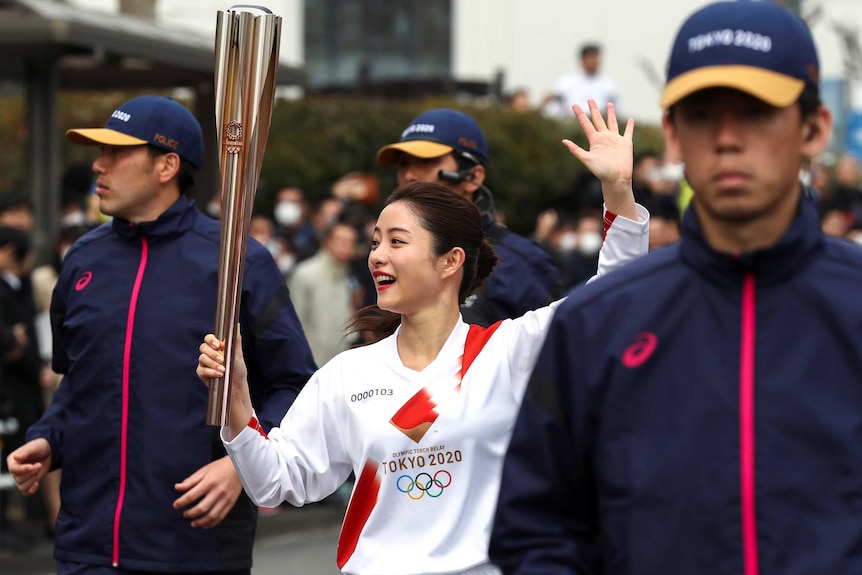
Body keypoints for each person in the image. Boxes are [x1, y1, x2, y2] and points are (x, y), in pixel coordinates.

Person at [196, 101, 649, 575]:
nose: (376, 257)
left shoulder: (507, 351)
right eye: (374, 242)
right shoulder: (348, 376)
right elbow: (275, 482)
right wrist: (239, 404)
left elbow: (615, 302)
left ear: (450, 261)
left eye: (396, 241)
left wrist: (617, 190)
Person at [489, 2, 859, 574]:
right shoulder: (597, 323)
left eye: (757, 111)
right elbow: (537, 530)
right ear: (674, 133)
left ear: (814, 128)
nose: (728, 138)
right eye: (703, 114)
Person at [6, 95, 317, 575]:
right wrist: (49, 439)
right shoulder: (83, 261)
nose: (98, 164)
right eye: (99, 152)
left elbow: (297, 386)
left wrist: (242, 466)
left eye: (116, 152)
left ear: (167, 165)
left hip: (194, 547)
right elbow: (78, 387)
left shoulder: (238, 260)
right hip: (86, 547)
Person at [376, 107, 561, 326]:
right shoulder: (390, 257)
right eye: (404, 163)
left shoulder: (519, 262)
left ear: (473, 175)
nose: (408, 175)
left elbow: (556, 349)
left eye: (426, 162)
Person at [288, 219, 360, 366]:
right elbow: (293, 322)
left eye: (350, 242)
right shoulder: (305, 273)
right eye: (341, 241)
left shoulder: (346, 275)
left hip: (338, 361)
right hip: (309, 362)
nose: (346, 247)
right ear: (327, 241)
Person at [543, 43, 620, 120]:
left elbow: (618, 112)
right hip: (570, 125)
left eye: (596, 58)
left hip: (599, 125)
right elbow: (554, 109)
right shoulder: (566, 83)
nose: (595, 61)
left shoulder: (609, 85)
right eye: (591, 57)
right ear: (583, 59)